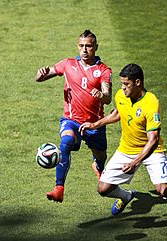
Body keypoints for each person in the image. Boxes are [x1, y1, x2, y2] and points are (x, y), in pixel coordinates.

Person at [79, 63, 167, 241]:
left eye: (126, 84)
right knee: (103, 189)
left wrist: (135, 162)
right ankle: (126, 196)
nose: (122, 88)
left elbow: (153, 140)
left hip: (152, 151)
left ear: (137, 83)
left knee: (164, 190)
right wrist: (95, 124)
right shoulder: (122, 95)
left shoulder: (151, 103)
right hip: (126, 149)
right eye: (121, 84)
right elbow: (117, 113)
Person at [36, 29, 112, 203]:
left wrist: (102, 96)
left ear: (96, 47)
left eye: (89, 46)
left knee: (101, 156)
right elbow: (43, 75)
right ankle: (59, 188)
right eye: (81, 46)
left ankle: (98, 166)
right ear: (77, 47)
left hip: (95, 124)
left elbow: (107, 97)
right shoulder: (68, 64)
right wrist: (40, 75)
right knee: (66, 143)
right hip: (71, 120)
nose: (85, 50)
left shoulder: (103, 70)